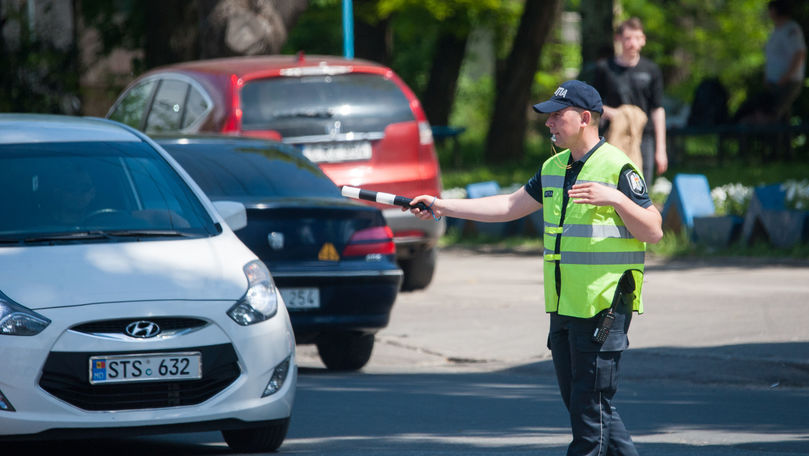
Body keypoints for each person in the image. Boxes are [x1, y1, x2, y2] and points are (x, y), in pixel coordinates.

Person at [405, 80, 663, 456]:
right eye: (548, 117)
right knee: (587, 407)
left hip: (603, 308)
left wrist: (616, 199)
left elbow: (654, 230)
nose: (549, 124)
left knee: (590, 419)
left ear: (586, 118)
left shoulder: (618, 168)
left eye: (558, 116)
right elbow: (510, 206)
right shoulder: (554, 167)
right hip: (563, 306)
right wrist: (442, 206)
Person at [593, 17, 667, 184]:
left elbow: (657, 110)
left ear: (643, 40)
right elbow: (593, 105)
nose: (632, 43)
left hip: (644, 136)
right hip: (613, 134)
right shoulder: (605, 68)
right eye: (627, 38)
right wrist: (615, 113)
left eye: (636, 38)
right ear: (618, 39)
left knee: (640, 186)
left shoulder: (651, 70)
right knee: (612, 183)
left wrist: (661, 150)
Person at [735, 0, 806, 124]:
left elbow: (799, 54)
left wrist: (786, 77)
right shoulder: (777, 31)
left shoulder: (791, 29)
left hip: (787, 82)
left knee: (771, 117)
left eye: (771, 10)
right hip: (775, 83)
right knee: (781, 120)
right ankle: (783, 143)